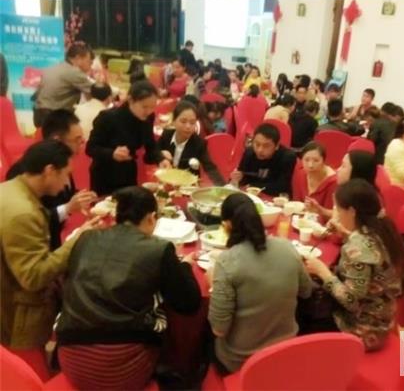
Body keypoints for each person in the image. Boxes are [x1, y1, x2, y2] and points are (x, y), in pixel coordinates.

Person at [56, 185, 201, 391]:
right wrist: (184, 266)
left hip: (70, 357)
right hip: (120, 370)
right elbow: (189, 303)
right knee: (159, 315)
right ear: (151, 218)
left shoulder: (86, 238)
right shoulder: (158, 248)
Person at [0, 140, 92, 352]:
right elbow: (34, 276)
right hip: (17, 317)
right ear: (49, 171)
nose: (66, 184)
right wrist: (76, 241)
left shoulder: (9, 188)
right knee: (28, 369)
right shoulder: (23, 212)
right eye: (65, 175)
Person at [208, 191, 312, 373]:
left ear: (227, 224)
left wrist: (213, 282)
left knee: (203, 342)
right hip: (285, 350)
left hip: (242, 360)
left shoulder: (227, 262)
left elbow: (219, 329)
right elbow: (306, 291)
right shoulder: (287, 247)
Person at [304, 180, 404, 347]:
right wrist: (347, 234)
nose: (336, 214)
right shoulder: (382, 229)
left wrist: (323, 272)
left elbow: (352, 302)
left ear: (351, 211)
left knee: (303, 313)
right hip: (382, 315)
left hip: (364, 329)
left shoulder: (357, 247)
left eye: (338, 209)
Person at [6, 111, 95, 250]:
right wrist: (67, 208)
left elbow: (64, 193)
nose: (82, 143)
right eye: (77, 139)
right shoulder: (23, 172)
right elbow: (34, 219)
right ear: (57, 140)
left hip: (54, 238)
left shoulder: (62, 161)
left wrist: (80, 197)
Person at [86, 81, 162, 197]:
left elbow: (150, 145)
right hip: (105, 175)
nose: (148, 111)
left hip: (128, 173)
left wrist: (160, 159)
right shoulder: (108, 118)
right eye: (144, 107)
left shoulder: (148, 117)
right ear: (130, 100)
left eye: (152, 107)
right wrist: (112, 153)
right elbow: (91, 148)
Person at [33, 43, 111, 128]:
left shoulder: (56, 67)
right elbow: (98, 91)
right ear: (78, 58)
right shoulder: (74, 72)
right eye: (89, 61)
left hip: (39, 113)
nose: (90, 65)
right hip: (52, 116)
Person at [159, 100, 224, 183]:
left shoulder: (199, 143)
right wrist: (160, 154)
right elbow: (152, 154)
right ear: (174, 121)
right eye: (183, 121)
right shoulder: (166, 135)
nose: (188, 126)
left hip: (188, 185)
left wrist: (223, 186)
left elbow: (210, 168)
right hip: (165, 182)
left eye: (192, 123)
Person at [232, 124, 297, 196]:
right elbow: (243, 178)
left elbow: (281, 187)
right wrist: (238, 177)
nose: (260, 150)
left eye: (266, 146)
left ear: (277, 145)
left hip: (275, 197)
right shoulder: (249, 153)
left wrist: (252, 185)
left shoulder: (287, 157)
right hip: (251, 194)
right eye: (257, 144)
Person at [296, 141, 337, 210]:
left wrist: (318, 210)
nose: (310, 165)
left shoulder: (333, 181)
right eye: (306, 160)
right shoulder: (300, 174)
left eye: (316, 160)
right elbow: (296, 203)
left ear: (323, 161)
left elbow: (334, 213)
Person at [290, 82, 319, 149]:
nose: (301, 95)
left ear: (306, 94)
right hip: (299, 145)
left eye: (304, 93)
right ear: (296, 93)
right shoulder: (291, 105)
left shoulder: (308, 105)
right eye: (300, 93)